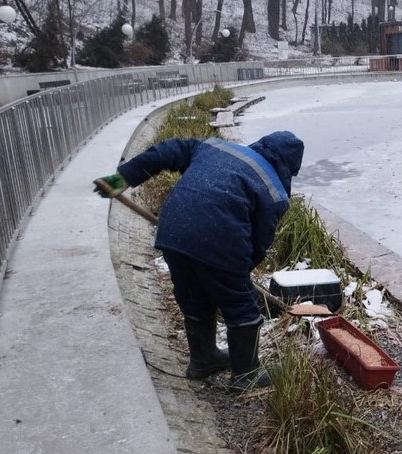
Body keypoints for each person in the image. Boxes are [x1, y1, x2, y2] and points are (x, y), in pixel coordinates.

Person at [94, 131, 304, 391]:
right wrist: (238, 275)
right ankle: (245, 376)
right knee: (242, 306)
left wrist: (123, 177)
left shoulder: (214, 147)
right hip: (219, 237)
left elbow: (167, 150)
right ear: (288, 167)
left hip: (172, 232)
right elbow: (259, 243)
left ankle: (202, 360)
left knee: (194, 297)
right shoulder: (274, 191)